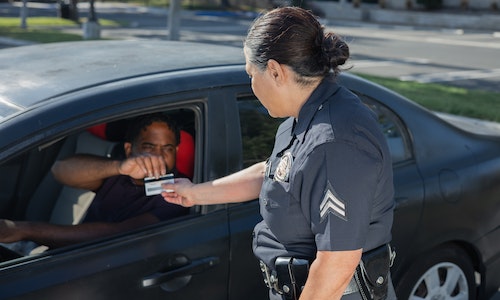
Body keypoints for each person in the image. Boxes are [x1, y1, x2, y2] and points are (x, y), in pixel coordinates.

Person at [162, 7, 396, 300]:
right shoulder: (304, 116)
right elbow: (276, 172)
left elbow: (337, 263)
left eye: (251, 74)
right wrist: (195, 193)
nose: (251, 84)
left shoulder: (334, 143)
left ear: (275, 71)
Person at [0, 113, 189, 251]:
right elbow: (60, 171)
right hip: (68, 256)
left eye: (167, 149)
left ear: (177, 151)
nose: (157, 156)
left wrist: (25, 229)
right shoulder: (121, 172)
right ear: (129, 149)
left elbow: (115, 234)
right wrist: (119, 167)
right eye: (149, 147)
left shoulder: (178, 192)